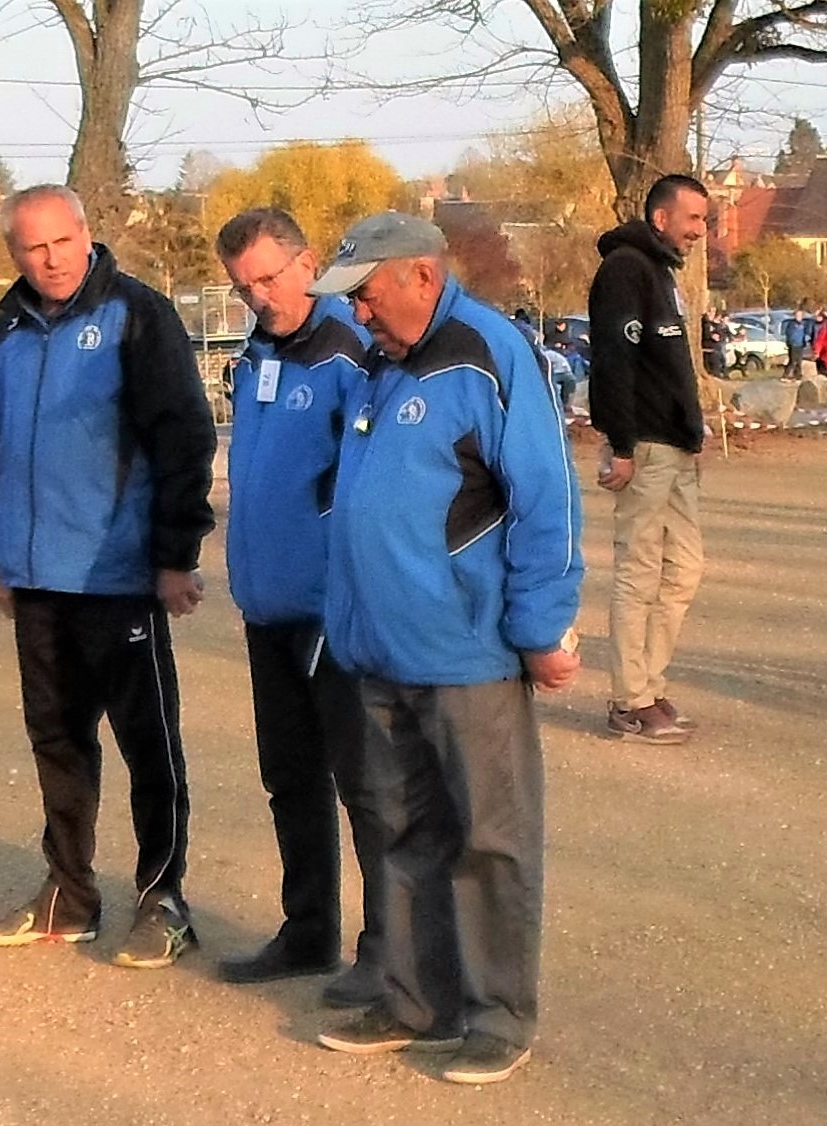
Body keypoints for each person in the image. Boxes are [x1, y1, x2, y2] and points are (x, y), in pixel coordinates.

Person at [307, 212, 583, 1085]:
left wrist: (541, 630)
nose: (357, 314)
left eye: (366, 293)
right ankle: (413, 998)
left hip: (467, 650)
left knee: (488, 838)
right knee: (399, 831)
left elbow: (545, 500)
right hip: (378, 648)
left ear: (421, 276)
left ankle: (498, 1015)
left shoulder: (487, 354)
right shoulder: (380, 366)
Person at [0, 185, 217, 968]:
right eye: (30, 248)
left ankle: (163, 898)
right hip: (38, 576)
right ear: (13, 252)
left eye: (59, 243)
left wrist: (175, 557)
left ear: (86, 234)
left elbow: (183, 437)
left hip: (118, 575)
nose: (48, 261)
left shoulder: (137, 316)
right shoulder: (7, 329)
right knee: (57, 741)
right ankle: (68, 894)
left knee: (150, 744)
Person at [211, 207, 387, 1008]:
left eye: (269, 278)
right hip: (265, 604)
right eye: (244, 286)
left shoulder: (351, 355)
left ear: (307, 261)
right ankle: (307, 929)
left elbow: (372, 488)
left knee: (362, 782)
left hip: (330, 611)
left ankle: (387, 949)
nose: (259, 296)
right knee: (288, 777)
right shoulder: (255, 356)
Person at [586, 174, 709, 745]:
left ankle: (651, 685)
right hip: (646, 447)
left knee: (684, 569)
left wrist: (695, 433)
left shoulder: (663, 273)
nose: (700, 232)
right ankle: (628, 700)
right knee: (638, 573)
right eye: (693, 220)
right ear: (661, 218)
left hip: (678, 449)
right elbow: (613, 362)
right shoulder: (624, 270)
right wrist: (622, 444)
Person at [782, 308, 814, 380]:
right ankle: (785, 375)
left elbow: (806, 333)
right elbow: (789, 334)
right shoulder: (791, 324)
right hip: (793, 345)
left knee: (799, 361)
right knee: (792, 361)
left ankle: (798, 376)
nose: (798, 317)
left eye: (800, 315)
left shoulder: (803, 324)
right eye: (797, 315)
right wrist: (790, 343)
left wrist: (805, 340)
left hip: (800, 345)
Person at [700, 307, 729, 378]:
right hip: (709, 349)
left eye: (714, 312)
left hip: (715, 349)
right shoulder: (705, 323)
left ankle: (723, 373)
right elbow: (705, 334)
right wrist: (711, 336)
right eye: (711, 312)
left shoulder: (714, 324)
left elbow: (722, 334)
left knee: (718, 366)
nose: (712, 314)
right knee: (712, 370)